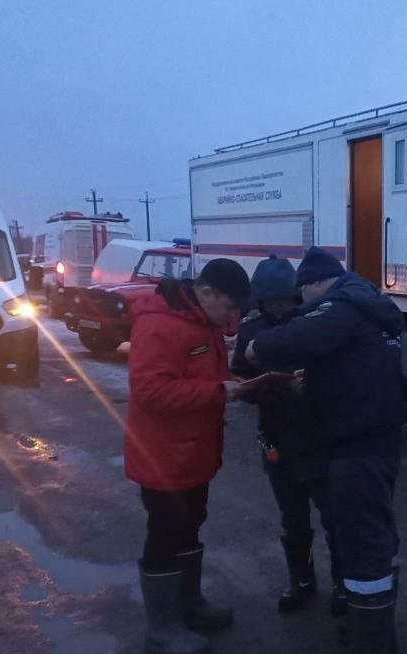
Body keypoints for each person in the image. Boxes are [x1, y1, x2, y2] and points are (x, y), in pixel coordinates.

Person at [244, 247, 403, 654]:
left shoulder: (341, 309)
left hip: (350, 449)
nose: (293, 304)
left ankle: (369, 639)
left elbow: (295, 339)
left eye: (298, 294)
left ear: (313, 285)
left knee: (361, 546)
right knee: (368, 539)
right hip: (363, 442)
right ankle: (360, 619)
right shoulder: (365, 306)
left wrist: (259, 350)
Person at [125, 258, 250, 654]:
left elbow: (202, 377)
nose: (234, 316)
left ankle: (189, 605)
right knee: (164, 536)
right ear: (207, 292)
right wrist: (217, 393)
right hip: (163, 458)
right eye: (231, 306)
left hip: (195, 454)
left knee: (191, 527)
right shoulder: (157, 325)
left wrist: (233, 383)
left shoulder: (204, 323)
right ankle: (163, 626)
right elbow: (152, 392)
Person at [230, 254, 346, 616]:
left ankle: (344, 585)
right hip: (276, 437)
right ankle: (301, 581)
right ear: (260, 301)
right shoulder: (251, 331)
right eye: (271, 303)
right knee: (292, 518)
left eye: (284, 301)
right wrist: (265, 390)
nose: (279, 309)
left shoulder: (314, 324)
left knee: (334, 517)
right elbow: (238, 378)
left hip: (318, 438)